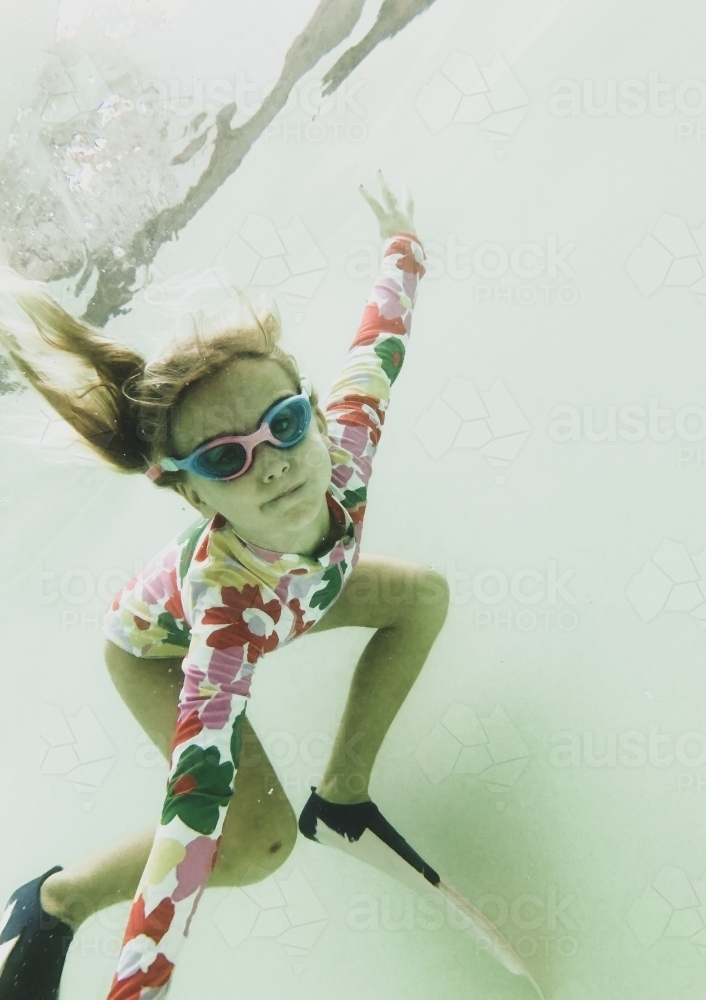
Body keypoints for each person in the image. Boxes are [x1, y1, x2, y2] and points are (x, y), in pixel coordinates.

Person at [0, 171, 452, 999]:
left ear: (314, 412)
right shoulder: (222, 623)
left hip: (298, 592)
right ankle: (53, 902)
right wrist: (139, 987)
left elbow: (380, 338)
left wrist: (403, 246)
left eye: (282, 425)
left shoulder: (345, 448)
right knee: (256, 843)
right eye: (223, 458)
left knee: (422, 596)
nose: (272, 461)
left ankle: (343, 799)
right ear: (191, 494)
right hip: (158, 644)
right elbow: (194, 812)